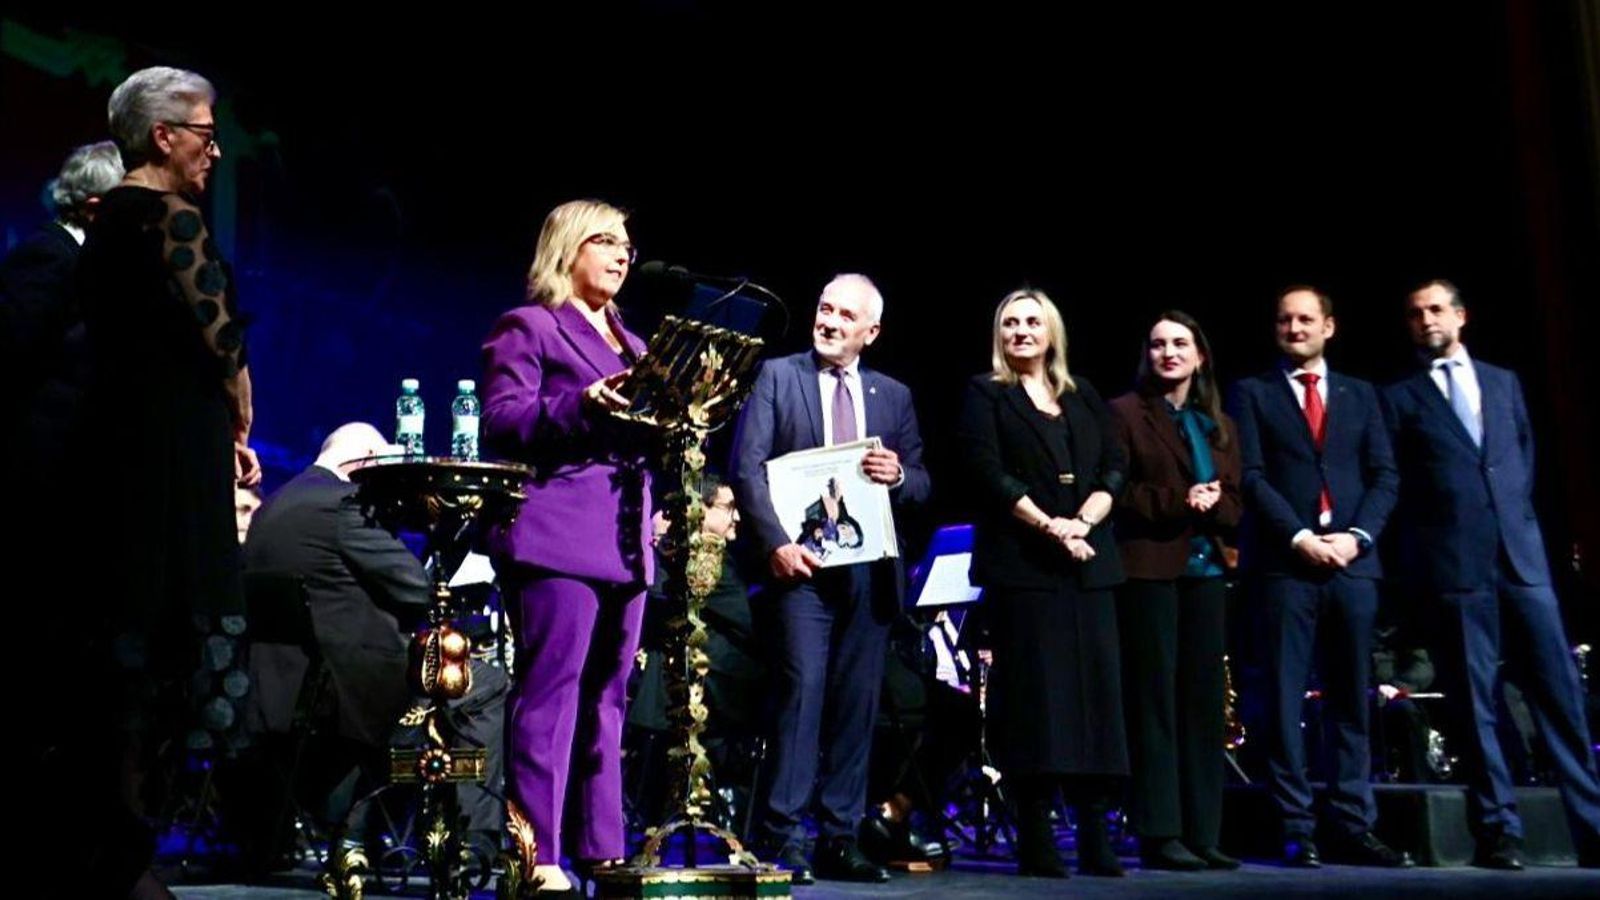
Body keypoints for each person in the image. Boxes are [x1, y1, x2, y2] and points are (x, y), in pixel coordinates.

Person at [73, 65, 260, 899]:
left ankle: (109, 847)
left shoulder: (107, 219)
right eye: (206, 132)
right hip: (172, 458)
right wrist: (240, 414)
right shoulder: (167, 215)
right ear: (164, 136)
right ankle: (129, 853)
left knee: (124, 656)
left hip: (120, 450)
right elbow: (217, 336)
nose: (214, 149)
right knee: (170, 646)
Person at [1382, 279, 1600, 869]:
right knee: (1474, 707)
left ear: (1460, 315)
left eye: (1434, 309)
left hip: (1522, 562)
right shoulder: (1399, 397)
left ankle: (1592, 825)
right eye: (1414, 313)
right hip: (1456, 568)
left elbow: (1520, 458)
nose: (1425, 319)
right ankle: (1498, 831)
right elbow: (1402, 484)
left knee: (1561, 697)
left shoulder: (1503, 382)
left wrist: (1511, 521)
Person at [730, 273, 930, 884]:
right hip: (802, 574)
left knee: (855, 706)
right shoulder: (777, 376)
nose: (831, 321)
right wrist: (776, 546)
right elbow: (746, 470)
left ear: (870, 331)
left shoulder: (892, 395)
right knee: (801, 693)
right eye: (825, 308)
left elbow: (923, 483)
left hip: (869, 575)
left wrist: (898, 476)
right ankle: (781, 837)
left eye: (847, 315)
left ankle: (840, 838)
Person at [481, 198, 651, 896]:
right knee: (552, 695)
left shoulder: (637, 347)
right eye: (603, 241)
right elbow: (503, 418)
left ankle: (603, 849)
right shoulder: (533, 327)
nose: (619, 255)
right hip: (557, 533)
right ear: (567, 250)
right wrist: (583, 404)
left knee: (611, 696)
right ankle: (540, 853)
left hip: (626, 537)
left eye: (626, 246)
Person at [243, 423, 507, 857]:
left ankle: (360, 825)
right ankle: (471, 840)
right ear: (365, 461)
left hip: (279, 686)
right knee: (486, 684)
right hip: (351, 686)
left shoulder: (274, 505)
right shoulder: (342, 505)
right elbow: (417, 589)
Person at [1231, 286, 1409, 868]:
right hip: (1286, 565)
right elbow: (1252, 477)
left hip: (1353, 566)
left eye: (1305, 319)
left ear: (1328, 326)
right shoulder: (1252, 393)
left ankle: (1354, 825)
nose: (1293, 327)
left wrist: (1356, 539)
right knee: (1283, 702)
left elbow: (1384, 476)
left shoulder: (1363, 395)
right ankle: (1296, 826)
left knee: (1350, 701)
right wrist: (1301, 537)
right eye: (1284, 319)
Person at [955, 288, 1129, 878]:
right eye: (1010, 323)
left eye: (1033, 321)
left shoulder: (1083, 396)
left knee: (1097, 702)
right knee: (1036, 705)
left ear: (1052, 332)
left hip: (1090, 566)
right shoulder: (986, 394)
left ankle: (1096, 836)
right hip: (1024, 569)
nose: (1022, 331)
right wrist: (1053, 526)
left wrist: (1084, 521)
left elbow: (1114, 465)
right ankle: (1037, 836)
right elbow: (986, 471)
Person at [1108, 310, 1242, 871]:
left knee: (1202, 704)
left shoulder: (1219, 423)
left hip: (1208, 571)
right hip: (1150, 571)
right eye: (1159, 343)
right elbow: (1117, 491)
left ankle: (1203, 831)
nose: (1169, 352)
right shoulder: (1125, 414)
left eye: (1180, 343)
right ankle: (1161, 832)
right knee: (1155, 703)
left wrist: (1217, 503)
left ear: (1199, 355)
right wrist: (1179, 501)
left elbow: (1235, 496)